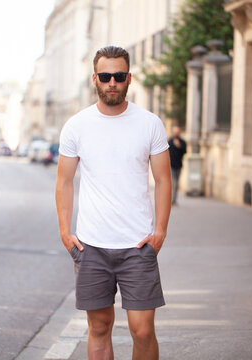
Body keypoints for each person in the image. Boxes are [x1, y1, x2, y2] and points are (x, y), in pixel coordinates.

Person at [55, 46, 172, 360]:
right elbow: (64, 181)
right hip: (91, 245)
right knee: (100, 326)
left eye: (118, 76)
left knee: (143, 330)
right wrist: (65, 233)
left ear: (129, 79)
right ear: (95, 78)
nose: (111, 82)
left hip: (138, 244)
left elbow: (163, 180)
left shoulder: (149, 124)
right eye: (105, 76)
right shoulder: (77, 126)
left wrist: (160, 232)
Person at [168, 125, 187, 206]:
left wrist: (179, 146)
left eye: (177, 131)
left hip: (178, 165)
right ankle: (170, 200)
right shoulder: (170, 141)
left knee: (176, 183)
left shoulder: (182, 142)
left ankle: (174, 200)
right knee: (173, 183)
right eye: (175, 131)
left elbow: (184, 152)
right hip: (171, 165)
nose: (176, 132)